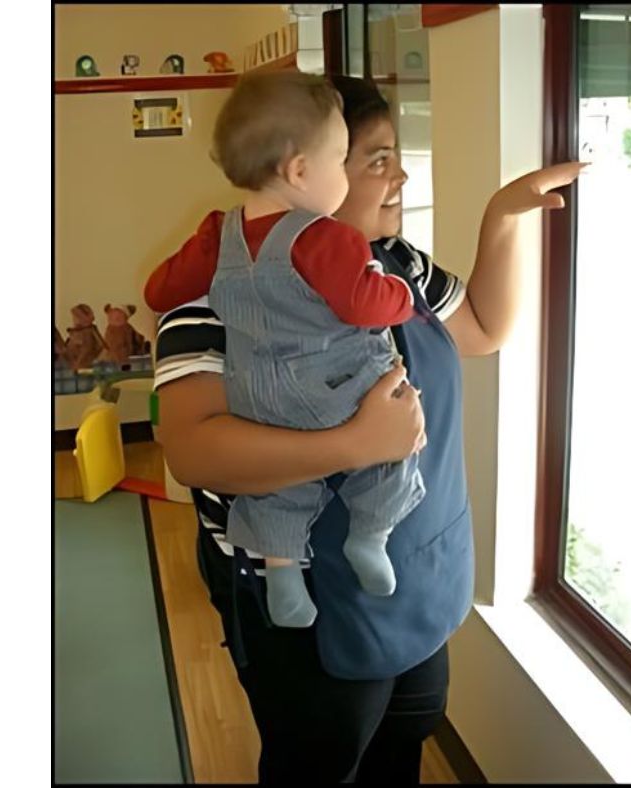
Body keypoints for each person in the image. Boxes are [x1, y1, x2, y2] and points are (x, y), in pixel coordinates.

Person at [147, 73, 585, 783]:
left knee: (399, 748)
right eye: (375, 158)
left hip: (407, 574)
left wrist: (502, 216)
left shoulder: (391, 262)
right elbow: (196, 451)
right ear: (305, 169)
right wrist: (351, 447)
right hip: (300, 599)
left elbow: (480, 327)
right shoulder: (221, 288)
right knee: (317, 765)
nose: (400, 173)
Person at [148, 71, 427, 628]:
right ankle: (370, 536)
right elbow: (362, 304)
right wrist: (401, 296)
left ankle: (282, 574)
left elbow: (160, 291)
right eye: (341, 157)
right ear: (301, 170)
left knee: (280, 488)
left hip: (256, 395)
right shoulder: (325, 237)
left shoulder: (217, 235)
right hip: (332, 387)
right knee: (393, 448)